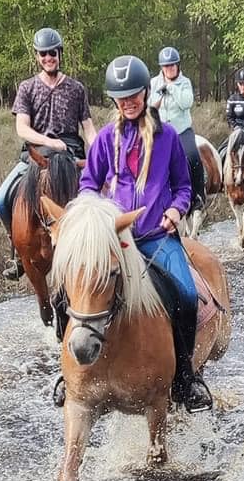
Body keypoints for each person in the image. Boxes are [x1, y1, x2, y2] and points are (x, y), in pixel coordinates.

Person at [64, 54, 212, 412]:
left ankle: (185, 378)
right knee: (67, 290)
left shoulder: (169, 138)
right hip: (115, 240)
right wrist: (90, 215)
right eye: (121, 96)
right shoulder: (103, 139)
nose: (128, 102)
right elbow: (88, 182)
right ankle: (67, 372)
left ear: (146, 93)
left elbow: (182, 185)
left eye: (133, 95)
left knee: (187, 296)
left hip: (156, 237)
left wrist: (176, 209)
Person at [0, 28, 98, 278]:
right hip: (35, 155)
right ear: (38, 57)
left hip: (70, 156)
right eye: (43, 54)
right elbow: (22, 128)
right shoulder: (27, 88)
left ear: (59, 54)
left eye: (53, 53)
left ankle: (98, 251)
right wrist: (50, 141)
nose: (48, 58)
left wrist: (100, 152)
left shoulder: (76, 88)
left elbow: (89, 129)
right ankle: (19, 253)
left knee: (97, 199)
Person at [150, 46, 205, 215]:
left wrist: (171, 87)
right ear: (162, 67)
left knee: (193, 157)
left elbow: (186, 103)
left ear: (178, 65)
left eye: (173, 65)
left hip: (182, 131)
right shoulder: (154, 83)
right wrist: (160, 95)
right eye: (166, 66)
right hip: (161, 131)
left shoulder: (185, 82)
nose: (170, 68)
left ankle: (198, 195)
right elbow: (150, 106)